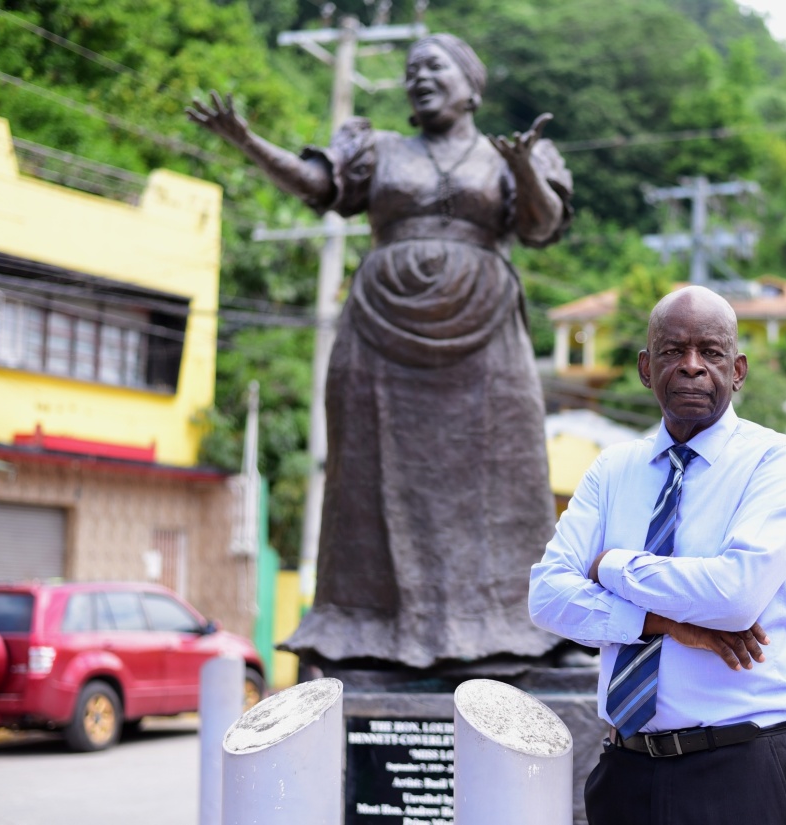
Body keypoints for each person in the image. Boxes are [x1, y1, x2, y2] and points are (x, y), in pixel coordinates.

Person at [187, 34, 571, 669]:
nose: (419, 77)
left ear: (471, 85)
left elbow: (540, 226)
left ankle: (512, 625)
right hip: (380, 333)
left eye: (435, 66)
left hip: (486, 331)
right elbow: (319, 184)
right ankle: (369, 630)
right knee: (367, 478)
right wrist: (248, 143)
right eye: (410, 69)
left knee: (506, 475)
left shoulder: (511, 155)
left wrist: (526, 166)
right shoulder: (379, 148)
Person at [529, 285, 786, 825]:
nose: (690, 367)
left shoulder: (775, 463)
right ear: (644, 367)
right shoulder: (612, 470)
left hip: (739, 769)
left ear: (738, 370)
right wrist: (666, 623)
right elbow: (546, 596)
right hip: (624, 771)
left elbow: (735, 595)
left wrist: (610, 565)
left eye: (710, 352)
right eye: (671, 351)